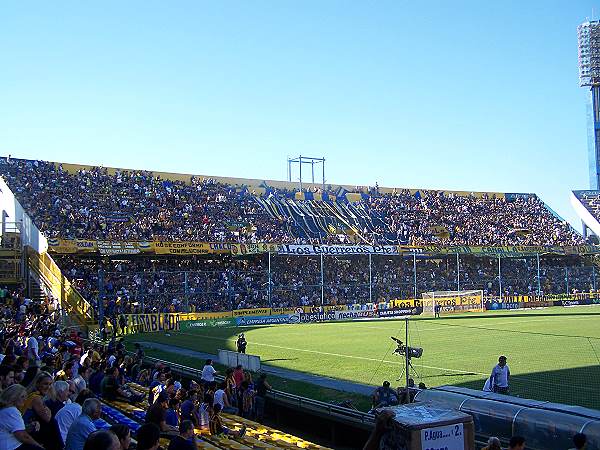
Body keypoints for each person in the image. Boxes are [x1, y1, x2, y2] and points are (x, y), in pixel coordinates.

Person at [0, 384, 44, 449]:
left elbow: (16, 429)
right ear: (13, 397)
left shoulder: (6, 410)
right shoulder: (11, 411)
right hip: (12, 447)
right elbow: (22, 436)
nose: (25, 399)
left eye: (25, 397)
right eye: (22, 397)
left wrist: (30, 426)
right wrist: (38, 446)